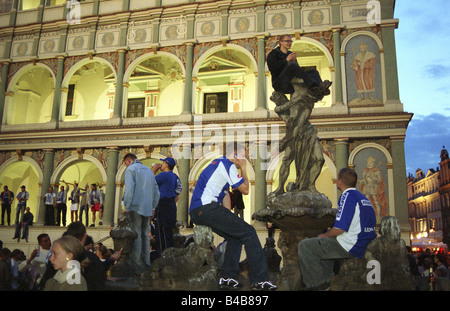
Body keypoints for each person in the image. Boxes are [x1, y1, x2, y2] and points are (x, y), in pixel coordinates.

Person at [189, 142, 277, 291]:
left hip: (199, 211)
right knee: (249, 232)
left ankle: (228, 278)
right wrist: (243, 168)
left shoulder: (217, 165)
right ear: (235, 154)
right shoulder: (227, 165)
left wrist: (229, 218)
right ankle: (260, 280)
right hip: (207, 208)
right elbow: (245, 189)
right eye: (244, 156)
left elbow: (225, 197)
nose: (245, 159)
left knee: (235, 237)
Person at [297, 168, 377, 290]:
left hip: (351, 245)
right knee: (323, 246)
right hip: (364, 242)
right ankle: (328, 280)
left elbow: (340, 228)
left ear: (339, 181)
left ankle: (316, 285)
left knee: (305, 246)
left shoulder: (347, 196)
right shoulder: (363, 198)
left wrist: (325, 235)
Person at [40, 222, 106, 291]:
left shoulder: (74, 282)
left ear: (69, 255)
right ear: (84, 236)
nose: (50, 258)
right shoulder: (91, 259)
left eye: (55, 253)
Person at [122, 153, 160, 275]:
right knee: (145, 235)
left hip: (135, 207)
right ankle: (146, 263)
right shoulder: (149, 171)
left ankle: (137, 265)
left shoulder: (131, 170)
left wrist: (127, 206)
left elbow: (129, 190)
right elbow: (156, 191)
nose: (125, 166)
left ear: (128, 161)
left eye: (125, 163)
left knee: (137, 234)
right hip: (148, 208)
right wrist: (153, 207)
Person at [267, 34, 331, 96]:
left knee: (314, 72)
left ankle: (320, 87)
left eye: (290, 41)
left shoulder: (290, 53)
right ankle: (313, 86)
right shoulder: (274, 53)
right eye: (287, 41)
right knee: (292, 66)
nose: (290, 43)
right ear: (281, 42)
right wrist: (286, 60)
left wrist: (295, 62)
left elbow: (297, 69)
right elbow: (273, 68)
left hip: (292, 81)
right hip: (280, 83)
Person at [152, 157, 182, 258]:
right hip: (171, 207)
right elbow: (177, 194)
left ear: (166, 164)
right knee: (169, 235)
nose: (161, 164)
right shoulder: (175, 177)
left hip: (163, 205)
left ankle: (164, 260)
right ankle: (171, 258)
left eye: (163, 162)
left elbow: (149, 182)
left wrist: (154, 170)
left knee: (161, 235)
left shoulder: (164, 175)